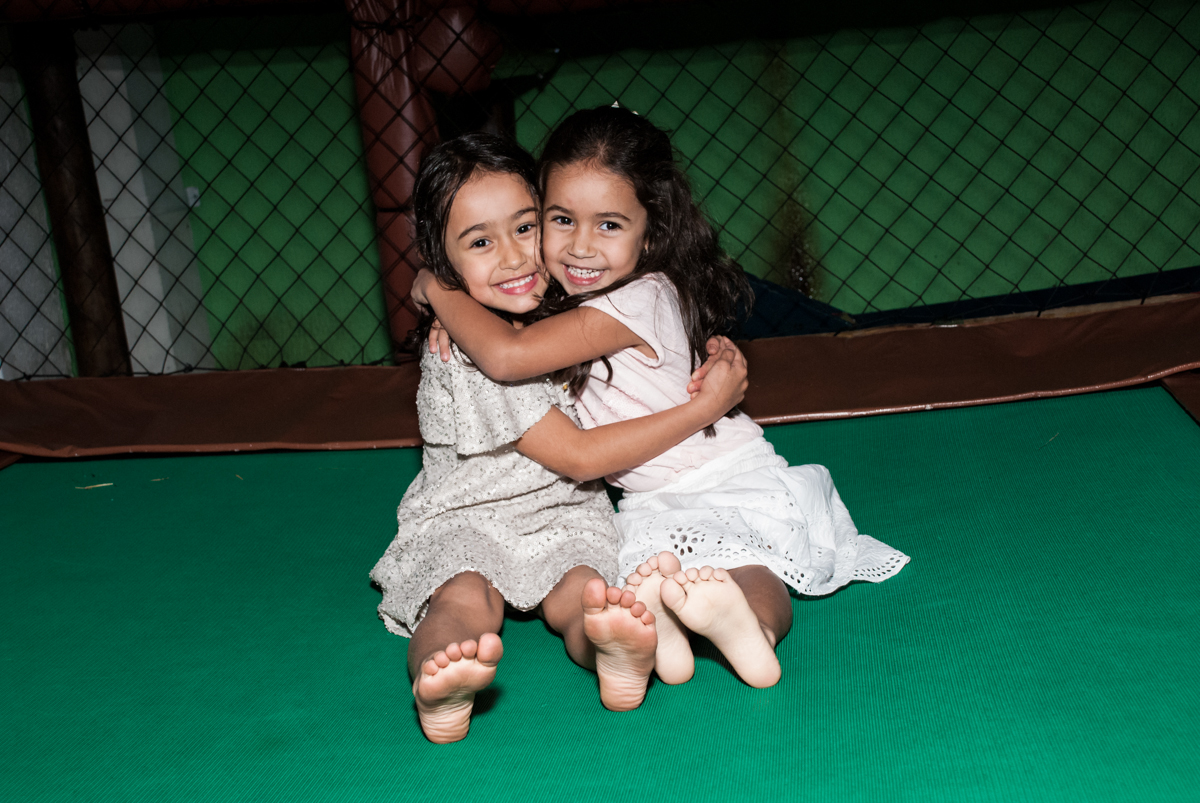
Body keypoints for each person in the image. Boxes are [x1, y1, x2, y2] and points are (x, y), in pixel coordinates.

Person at [411, 105, 910, 692]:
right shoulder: (568, 301)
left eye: (609, 225)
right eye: (561, 220)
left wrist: (436, 287)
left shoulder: (636, 299)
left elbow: (506, 356)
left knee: (752, 566)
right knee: (669, 582)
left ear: (651, 233)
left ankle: (754, 632)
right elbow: (505, 337)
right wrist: (445, 290)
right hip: (649, 498)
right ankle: (685, 634)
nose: (580, 247)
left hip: (724, 471)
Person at [373, 131, 748, 744]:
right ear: (445, 260)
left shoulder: (558, 311)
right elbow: (575, 453)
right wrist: (435, 288)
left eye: (526, 228)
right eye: (480, 242)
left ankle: (612, 652)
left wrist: (434, 290)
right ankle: (440, 678)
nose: (513, 258)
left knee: (585, 594)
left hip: (564, 511)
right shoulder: (472, 354)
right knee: (463, 597)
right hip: (468, 514)